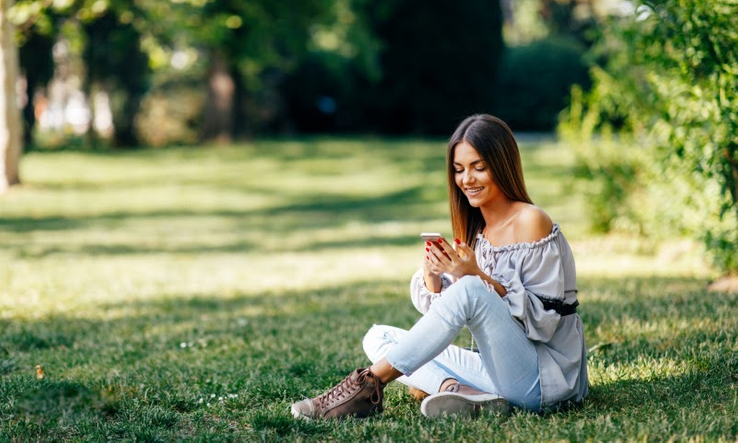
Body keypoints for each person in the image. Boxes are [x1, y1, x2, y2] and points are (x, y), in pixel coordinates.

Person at [290, 114, 588, 420]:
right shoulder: (479, 234)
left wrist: (475, 276)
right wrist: (433, 277)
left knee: (471, 289)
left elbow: (545, 320)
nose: (466, 179)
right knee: (378, 337)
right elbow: (447, 314)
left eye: (478, 167)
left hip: (545, 382)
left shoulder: (532, 221)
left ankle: (366, 385)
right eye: (459, 170)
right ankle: (462, 392)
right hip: (499, 374)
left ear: (502, 164)